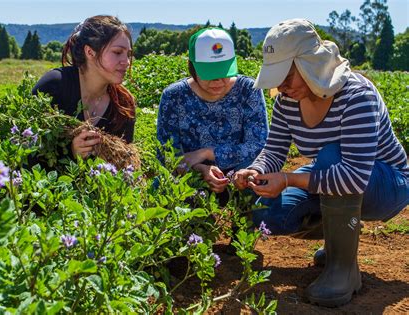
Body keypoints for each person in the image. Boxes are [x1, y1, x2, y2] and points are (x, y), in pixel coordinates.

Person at [233, 18, 409, 307]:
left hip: (387, 183)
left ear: (309, 64)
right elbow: (275, 150)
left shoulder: (356, 95)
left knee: (330, 157)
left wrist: (288, 179)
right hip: (336, 178)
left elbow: (353, 176)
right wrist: (256, 170)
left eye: (287, 77)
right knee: (269, 213)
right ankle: (342, 236)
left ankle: (344, 270)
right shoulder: (287, 102)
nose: (282, 87)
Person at [157, 27, 268, 196]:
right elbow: (166, 153)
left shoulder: (248, 89)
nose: (218, 80)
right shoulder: (174, 96)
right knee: (162, 187)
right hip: (192, 173)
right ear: (193, 67)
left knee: (259, 179)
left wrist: (207, 153)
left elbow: (258, 145)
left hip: (241, 173)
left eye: (224, 71)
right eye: (209, 73)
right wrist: (200, 168)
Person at [32, 15, 135, 162]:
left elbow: (125, 166)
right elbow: (25, 151)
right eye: (117, 52)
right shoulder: (55, 86)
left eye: (128, 54)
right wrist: (70, 152)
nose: (126, 62)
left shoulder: (123, 105)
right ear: (90, 52)